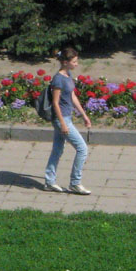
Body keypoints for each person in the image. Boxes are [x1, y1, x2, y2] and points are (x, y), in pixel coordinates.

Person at [43, 47, 92, 195]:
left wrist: (84, 115)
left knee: (57, 150)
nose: (77, 64)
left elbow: (72, 96)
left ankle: (49, 182)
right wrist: (63, 124)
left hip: (66, 118)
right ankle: (75, 183)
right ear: (65, 62)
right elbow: (56, 103)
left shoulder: (68, 75)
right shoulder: (58, 79)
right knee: (82, 149)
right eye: (74, 61)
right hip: (62, 120)